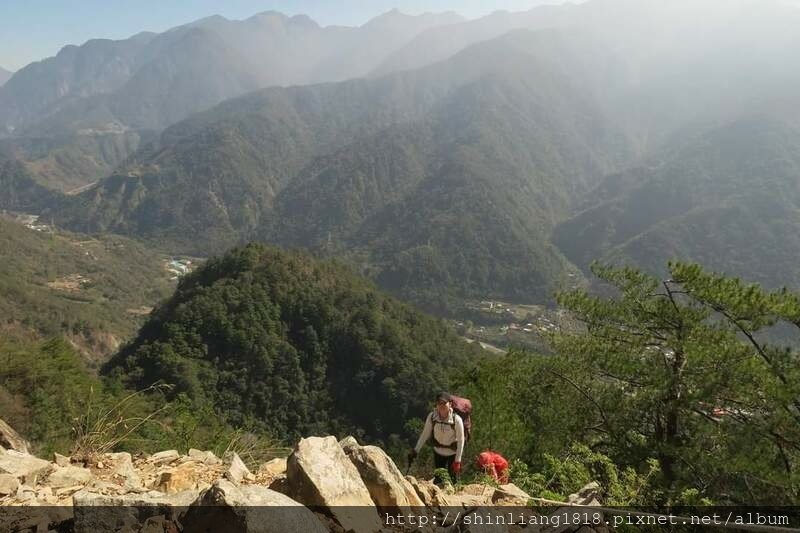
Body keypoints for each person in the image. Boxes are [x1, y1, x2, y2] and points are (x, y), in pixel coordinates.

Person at [408, 392, 465, 484]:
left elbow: (461, 440)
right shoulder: (432, 417)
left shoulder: (457, 420)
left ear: (450, 404)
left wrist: (458, 461)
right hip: (438, 452)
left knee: (453, 480)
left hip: (452, 454)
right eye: (439, 403)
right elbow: (425, 434)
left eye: (444, 403)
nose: (441, 406)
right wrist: (416, 450)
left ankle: (454, 496)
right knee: (438, 480)